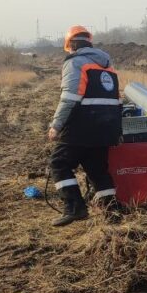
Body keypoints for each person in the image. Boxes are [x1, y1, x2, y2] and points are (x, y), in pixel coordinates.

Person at [47, 25, 122, 226]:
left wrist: (56, 125)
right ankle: (112, 212)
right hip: (106, 128)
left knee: (59, 163)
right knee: (97, 169)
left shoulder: (75, 63)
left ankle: (75, 208)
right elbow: (116, 101)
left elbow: (69, 98)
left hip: (82, 127)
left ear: (70, 45)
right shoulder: (107, 66)